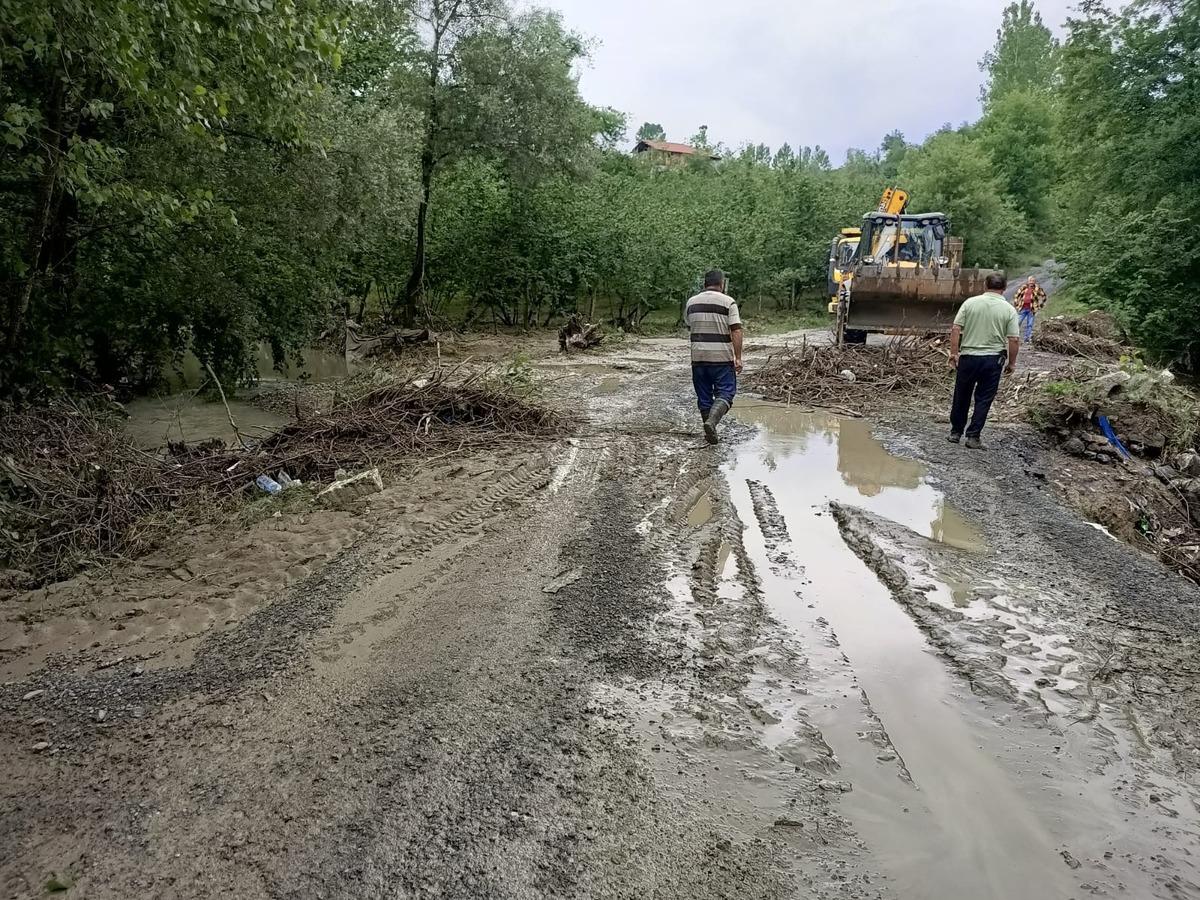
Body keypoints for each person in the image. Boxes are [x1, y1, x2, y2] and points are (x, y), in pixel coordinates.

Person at [948, 271, 1019, 449]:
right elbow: (1014, 339)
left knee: (962, 394)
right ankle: (973, 437)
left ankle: (955, 432)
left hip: (968, 357)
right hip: (992, 360)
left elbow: (956, 329)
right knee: (984, 398)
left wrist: (953, 353)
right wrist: (1011, 363)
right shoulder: (1009, 309)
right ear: (1004, 288)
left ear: (984, 286)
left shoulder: (970, 303)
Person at [686, 269, 743, 445]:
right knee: (726, 393)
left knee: (704, 397)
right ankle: (712, 422)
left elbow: (690, 325)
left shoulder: (691, 302)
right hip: (721, 359)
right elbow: (736, 330)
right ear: (722, 284)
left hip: (698, 357)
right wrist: (738, 357)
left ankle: (710, 432)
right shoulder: (728, 302)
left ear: (704, 283)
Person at [1012, 275, 1047, 343]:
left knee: (1030, 324)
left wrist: (1040, 305)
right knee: (1017, 323)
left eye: (1033, 281)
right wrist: (1016, 304)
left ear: (1034, 282)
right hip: (1023, 308)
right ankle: (1014, 337)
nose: (1031, 282)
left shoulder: (1037, 288)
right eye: (1030, 281)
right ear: (1028, 281)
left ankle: (1027, 338)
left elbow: (1044, 296)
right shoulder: (1023, 287)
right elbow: (1016, 295)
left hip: (1032, 309)